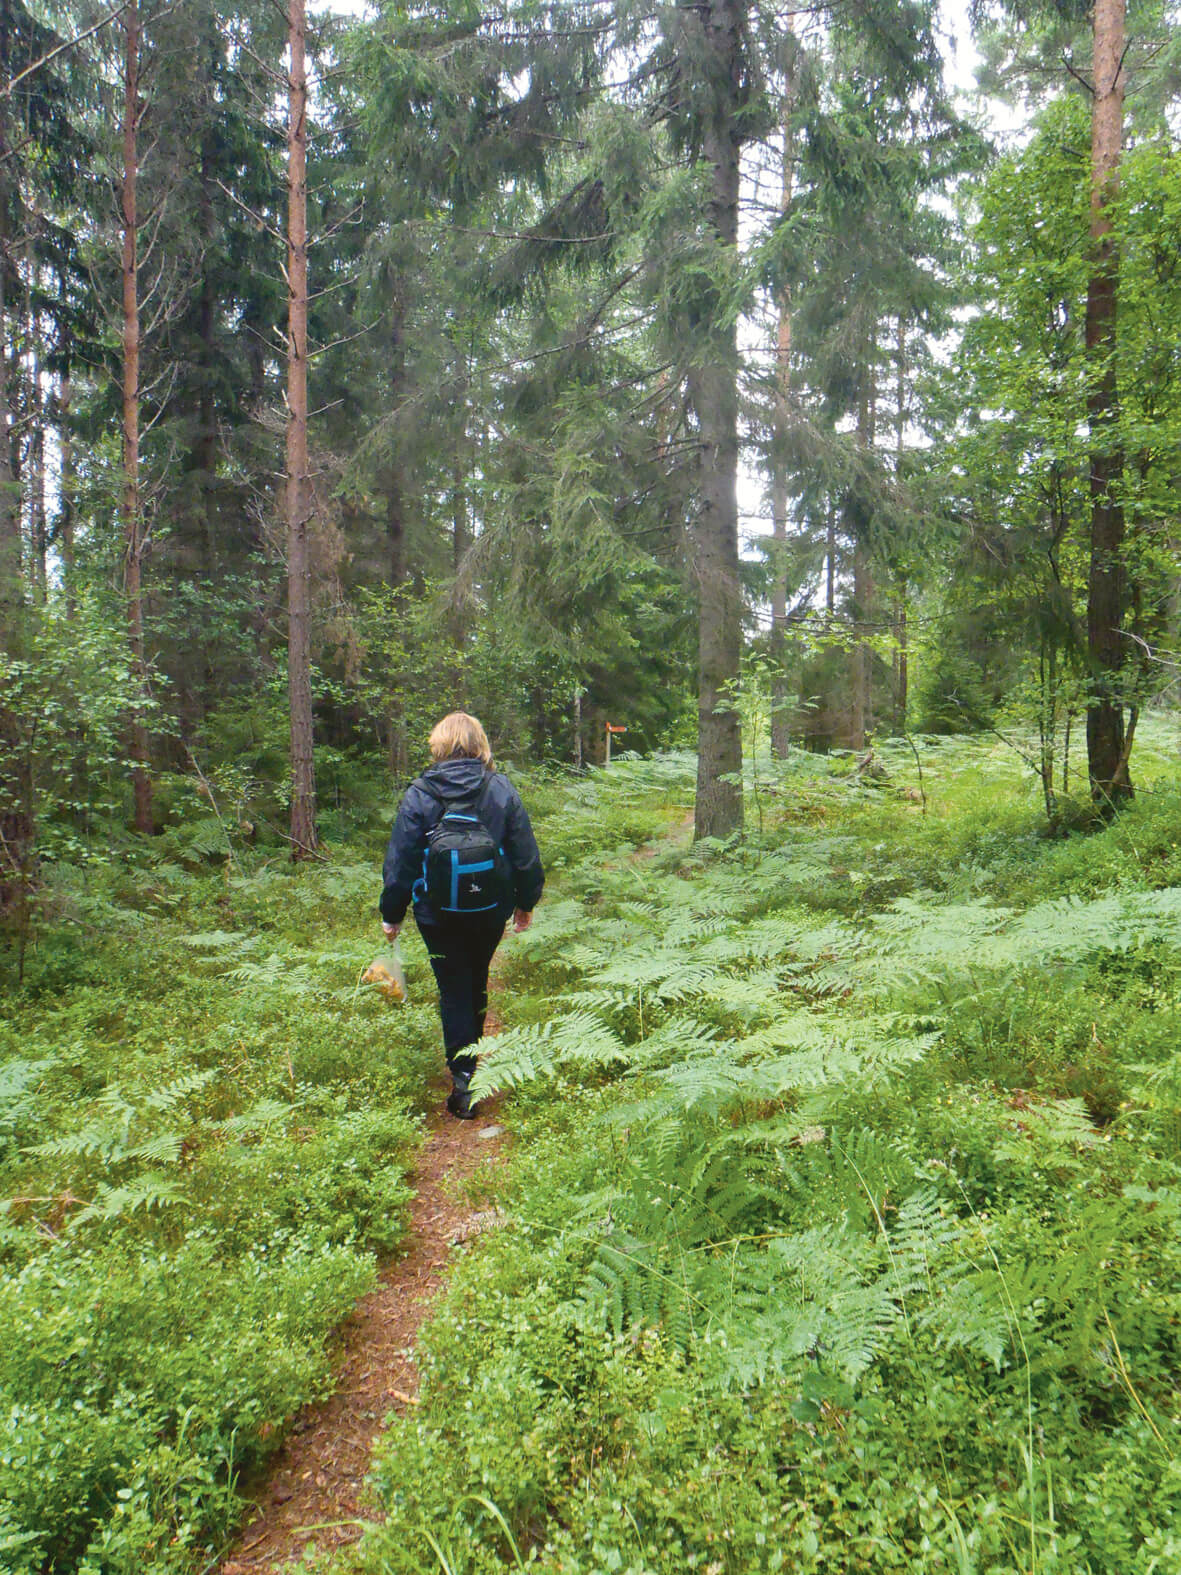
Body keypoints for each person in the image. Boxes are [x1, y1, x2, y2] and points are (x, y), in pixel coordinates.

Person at [379, 712, 544, 1119]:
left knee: (453, 988)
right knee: (476, 980)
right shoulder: (499, 788)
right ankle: (472, 1066)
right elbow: (525, 853)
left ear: (439, 744)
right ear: (480, 743)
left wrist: (392, 913)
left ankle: (463, 1081)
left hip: (437, 914)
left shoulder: (420, 792)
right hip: (490, 910)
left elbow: (401, 859)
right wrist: (526, 903)